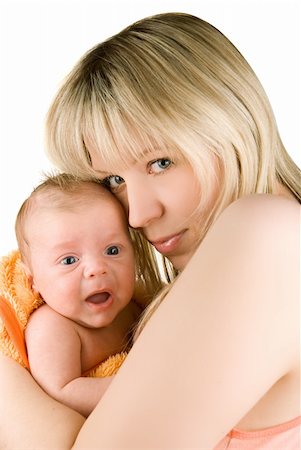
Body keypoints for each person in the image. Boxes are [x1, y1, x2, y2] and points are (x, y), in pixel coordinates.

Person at [0, 12, 300, 450]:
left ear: (228, 120)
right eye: (114, 182)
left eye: (161, 162)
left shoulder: (268, 232)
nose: (137, 214)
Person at [14, 173, 153, 417]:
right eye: (69, 260)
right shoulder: (52, 327)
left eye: (112, 250)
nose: (96, 268)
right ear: (32, 280)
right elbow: (61, 391)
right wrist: (138, 388)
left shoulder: (134, 308)